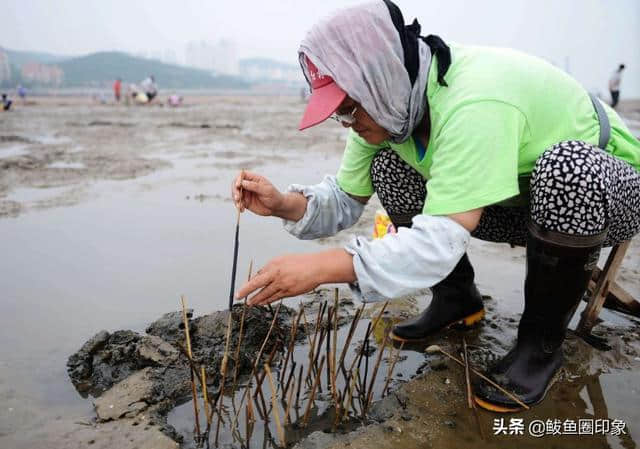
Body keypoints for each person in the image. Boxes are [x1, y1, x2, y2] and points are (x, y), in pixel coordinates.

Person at [231, 1, 640, 412]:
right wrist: (282, 203)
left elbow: (438, 241)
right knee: (390, 164)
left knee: (568, 168)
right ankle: (456, 299)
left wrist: (322, 268)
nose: (348, 122)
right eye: (339, 113)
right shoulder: (389, 108)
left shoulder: (475, 99)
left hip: (603, 196)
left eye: (349, 108)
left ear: (381, 75)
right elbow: (343, 198)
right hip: (518, 199)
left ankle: (540, 346)